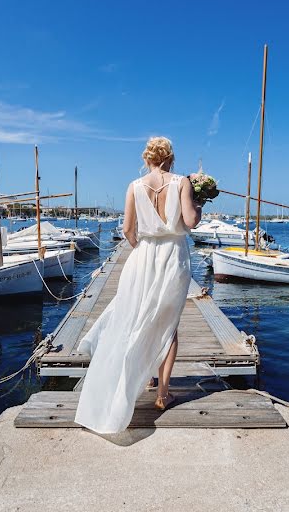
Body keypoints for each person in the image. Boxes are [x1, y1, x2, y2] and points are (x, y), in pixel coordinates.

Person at [74, 136, 202, 433]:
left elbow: (128, 230)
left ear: (147, 159)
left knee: (137, 316)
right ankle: (162, 394)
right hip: (172, 257)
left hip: (142, 257)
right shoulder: (181, 182)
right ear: (170, 158)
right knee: (168, 324)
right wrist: (199, 201)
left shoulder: (134, 186)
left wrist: (141, 249)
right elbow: (191, 221)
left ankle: (145, 376)